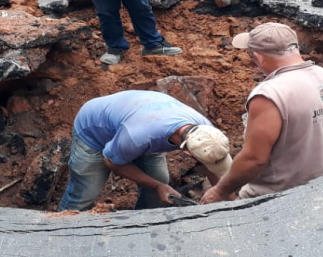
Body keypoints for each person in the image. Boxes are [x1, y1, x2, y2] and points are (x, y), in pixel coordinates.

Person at [200, 23, 323, 204]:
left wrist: (220, 190)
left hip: (278, 198)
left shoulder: (270, 94)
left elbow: (254, 159)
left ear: (258, 57)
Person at [58, 90, 233, 211]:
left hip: (141, 121)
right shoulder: (138, 136)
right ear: (188, 153)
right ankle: (58, 235)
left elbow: (212, 166)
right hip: (94, 130)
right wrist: (157, 186)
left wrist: (227, 197)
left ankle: (141, 225)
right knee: (86, 193)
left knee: (160, 181)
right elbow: (112, 162)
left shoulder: (206, 132)